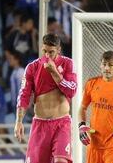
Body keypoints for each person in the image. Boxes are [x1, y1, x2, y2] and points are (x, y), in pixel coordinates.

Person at [14, 33, 77, 163]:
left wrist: (54, 72)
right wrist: (18, 121)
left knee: (61, 161)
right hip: (40, 124)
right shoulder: (32, 67)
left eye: (51, 52)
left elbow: (71, 91)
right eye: (45, 51)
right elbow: (24, 95)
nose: (47, 55)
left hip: (61, 123)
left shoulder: (68, 64)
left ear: (59, 50)